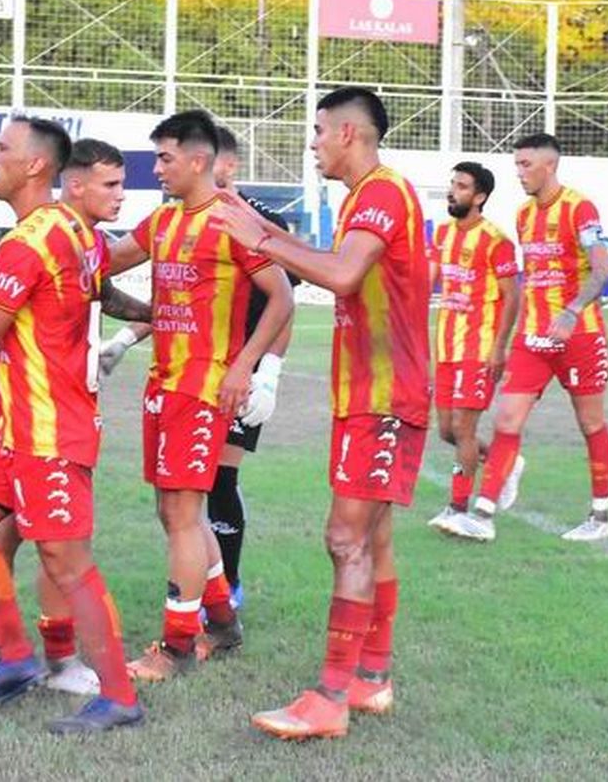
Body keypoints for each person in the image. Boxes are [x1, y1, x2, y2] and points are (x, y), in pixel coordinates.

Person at [211, 86, 429, 740]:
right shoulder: (366, 197)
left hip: (383, 398)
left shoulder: (383, 193)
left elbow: (340, 274)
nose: (312, 143)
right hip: (369, 395)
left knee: (345, 538)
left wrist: (261, 238)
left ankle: (331, 696)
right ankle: (370, 678)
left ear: (350, 134)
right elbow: (334, 263)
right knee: (373, 537)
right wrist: (257, 223)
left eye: (318, 131)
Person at [0, 117, 143, 733]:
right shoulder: (69, 232)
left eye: (1, 147)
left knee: (66, 560)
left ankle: (119, 695)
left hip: (49, 429)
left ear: (34, 167)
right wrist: (157, 315)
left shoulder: (32, 241)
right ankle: (17, 657)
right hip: (19, 426)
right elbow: (97, 293)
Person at [102, 112, 293, 682]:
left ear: (198, 161)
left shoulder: (233, 221)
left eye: (164, 158)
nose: (156, 169)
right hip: (164, 383)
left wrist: (249, 371)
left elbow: (281, 297)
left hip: (204, 388)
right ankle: (222, 621)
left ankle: (178, 645)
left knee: (184, 514)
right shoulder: (163, 221)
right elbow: (103, 261)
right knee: (174, 511)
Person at [473, 133, 608, 542]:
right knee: (506, 418)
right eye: (516, 164)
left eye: (526, 165)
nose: (519, 173)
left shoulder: (579, 208)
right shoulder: (522, 214)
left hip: (579, 335)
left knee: (591, 423)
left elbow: (602, 269)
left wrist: (572, 311)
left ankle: (601, 517)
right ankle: (482, 514)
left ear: (549, 166)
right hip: (533, 336)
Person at [425, 161, 520, 541]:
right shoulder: (444, 233)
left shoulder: (496, 240)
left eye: (462, 186)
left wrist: (500, 347)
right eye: (452, 184)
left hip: (478, 348)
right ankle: (503, 462)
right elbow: (427, 280)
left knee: (464, 428)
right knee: (446, 431)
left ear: (479, 197)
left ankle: (458, 508)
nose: (453, 191)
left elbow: (513, 296)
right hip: (446, 347)